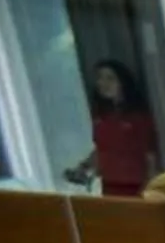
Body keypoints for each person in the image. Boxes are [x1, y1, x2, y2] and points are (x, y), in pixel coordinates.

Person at [66, 60, 157, 198]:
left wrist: (149, 189)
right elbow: (103, 148)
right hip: (109, 184)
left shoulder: (137, 116)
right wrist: (83, 167)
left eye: (110, 78)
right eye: (100, 78)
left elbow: (150, 156)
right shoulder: (103, 117)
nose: (103, 83)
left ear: (122, 82)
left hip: (134, 185)